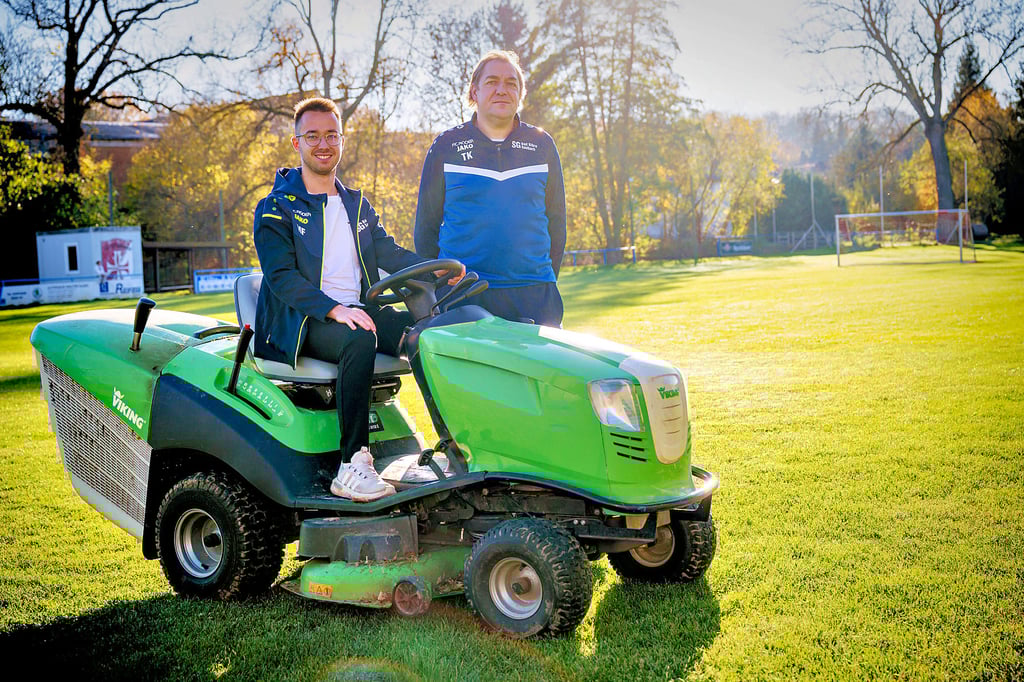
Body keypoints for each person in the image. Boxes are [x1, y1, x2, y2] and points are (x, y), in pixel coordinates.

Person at [253, 97, 462, 502]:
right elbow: (281, 277)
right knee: (359, 337)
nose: (323, 144)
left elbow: (388, 252)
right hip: (304, 320)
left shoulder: (357, 204)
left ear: (342, 141)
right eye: (313, 136)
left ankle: (457, 441)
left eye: (331, 135)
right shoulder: (276, 208)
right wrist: (334, 309)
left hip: (357, 311)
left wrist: (435, 268)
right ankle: (351, 465)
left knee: (427, 333)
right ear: (297, 143)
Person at [414, 50, 567, 327]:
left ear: (520, 93)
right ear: (474, 91)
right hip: (464, 293)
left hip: (535, 293)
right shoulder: (446, 145)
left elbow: (557, 222)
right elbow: (426, 228)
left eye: (511, 83)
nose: (502, 90)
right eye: (492, 81)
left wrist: (543, 277)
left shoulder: (542, 144)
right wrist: (441, 282)